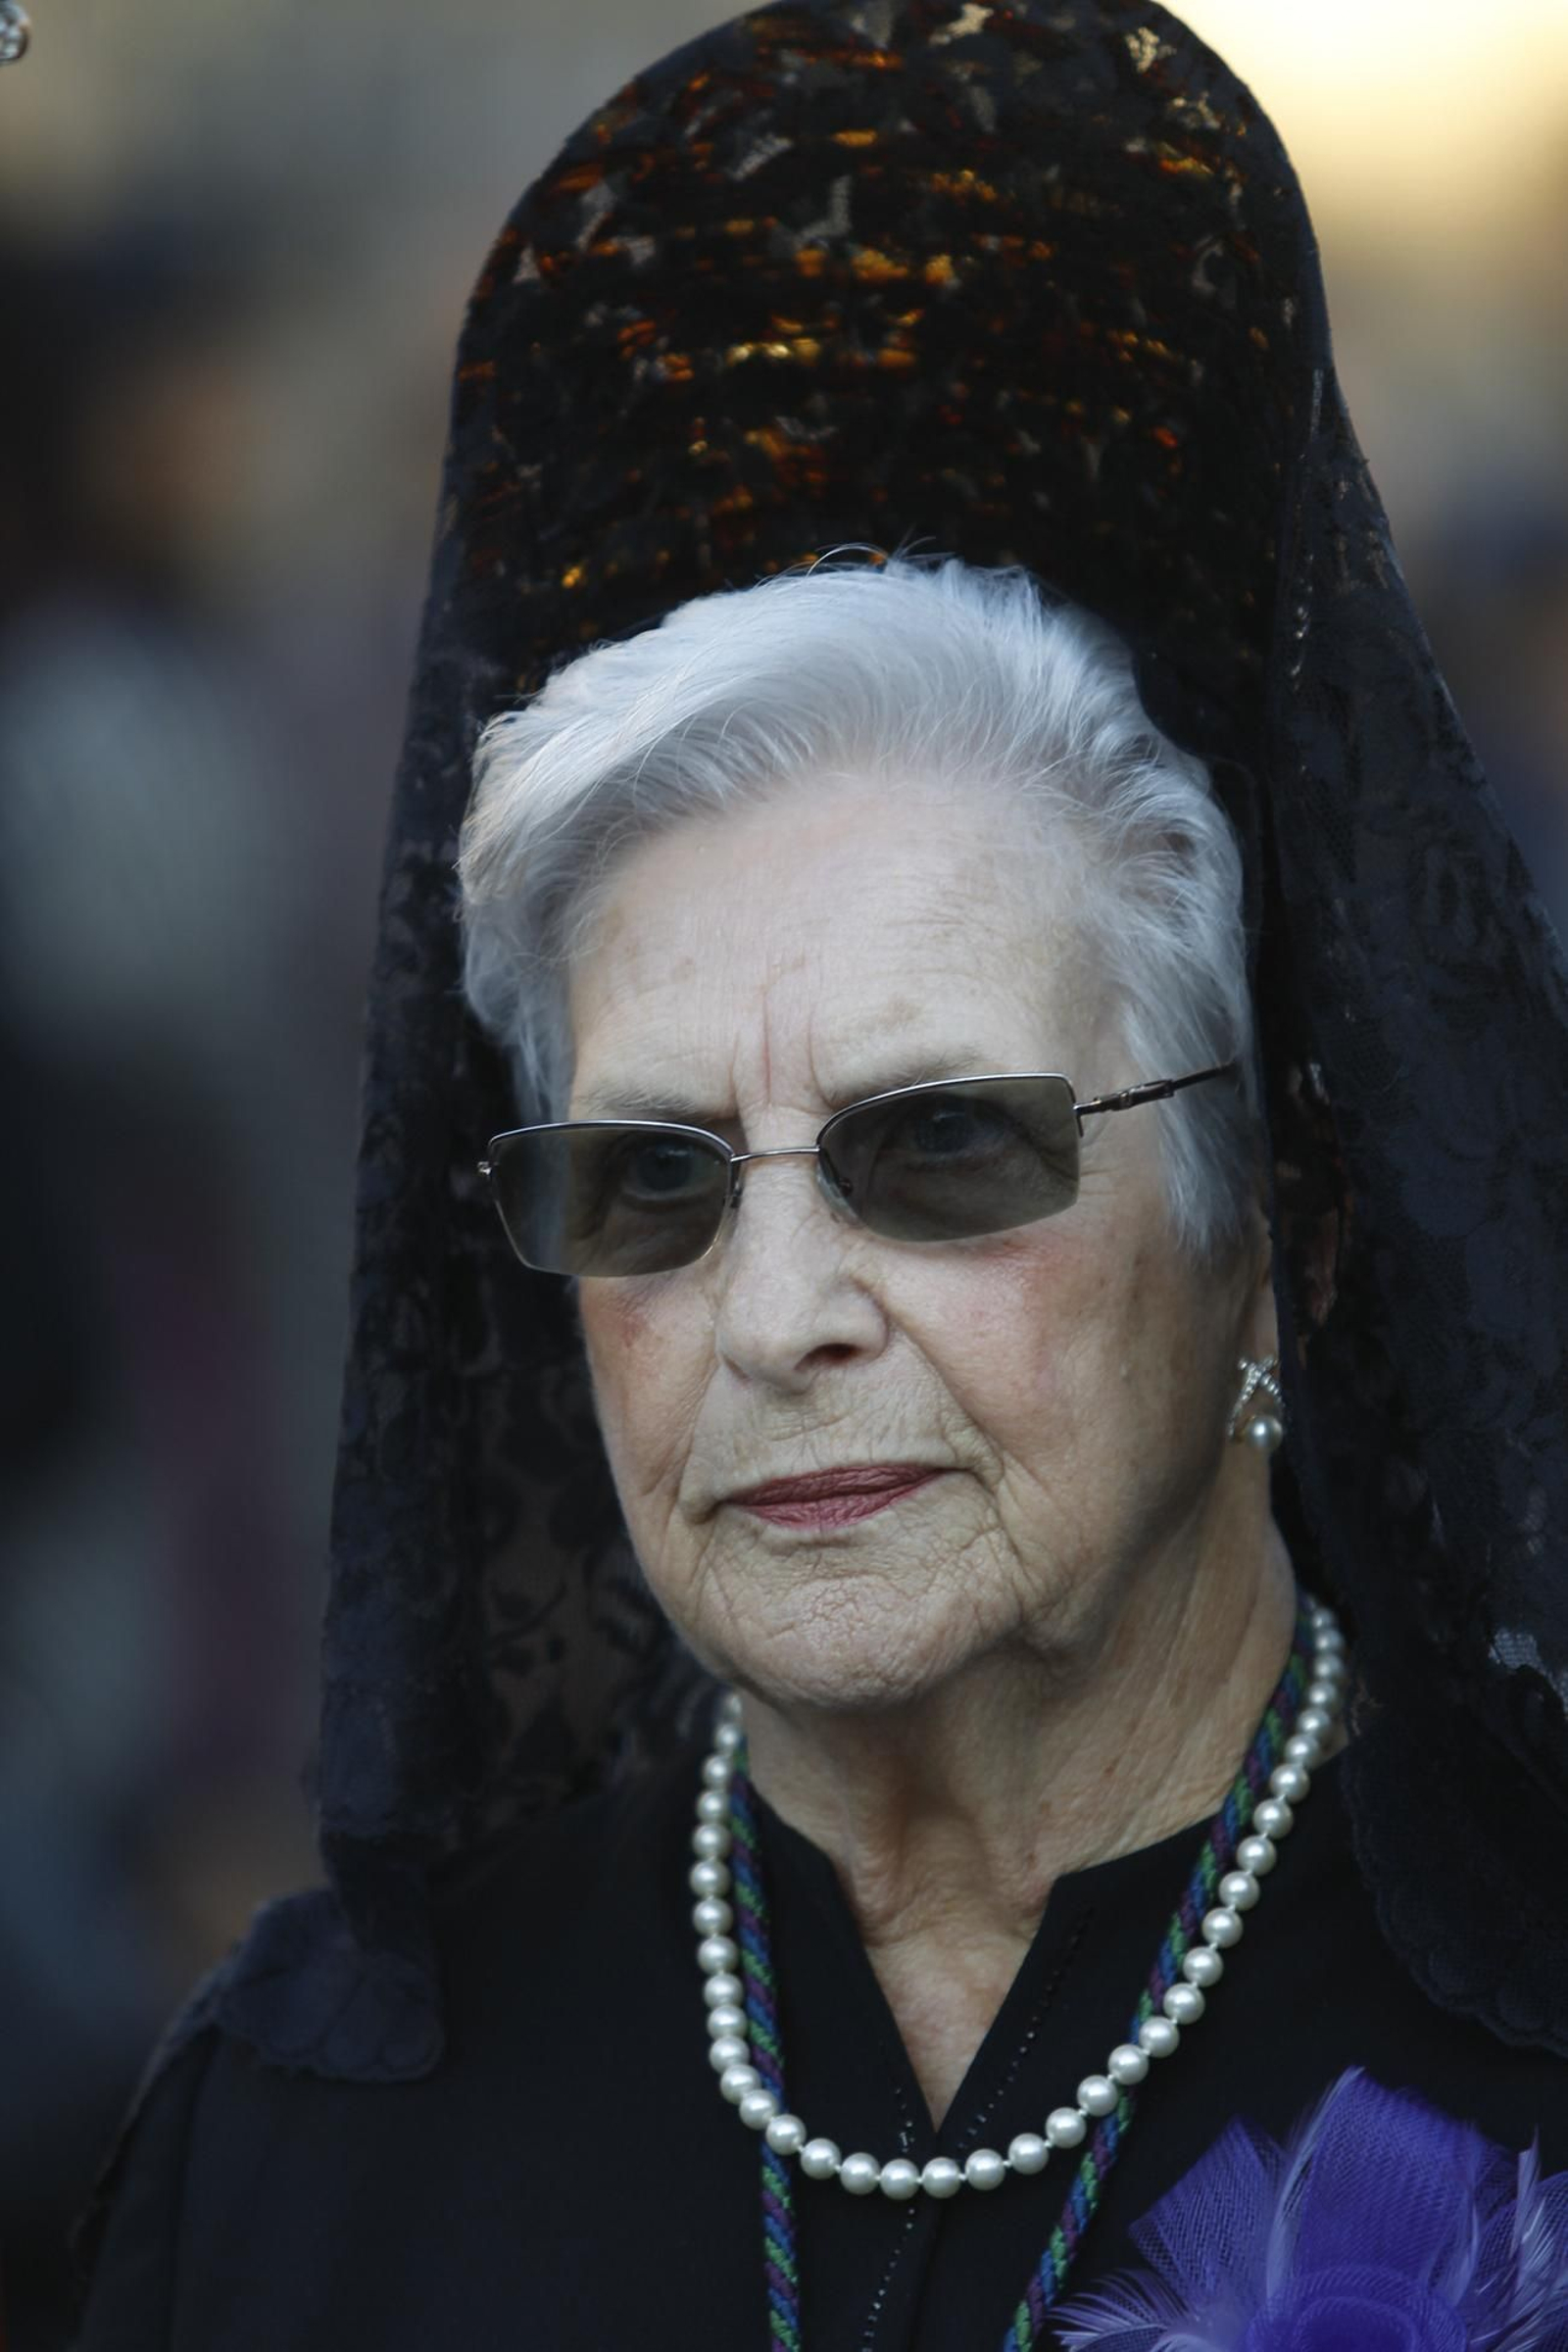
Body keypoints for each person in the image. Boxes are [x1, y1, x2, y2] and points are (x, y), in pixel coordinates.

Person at [71, 3, 1568, 2347]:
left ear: (1273, 1230)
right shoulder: (313, 2136)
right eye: (650, 1182)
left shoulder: (1523, 2043)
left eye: (940, 1144)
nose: (774, 1316)